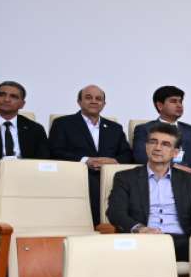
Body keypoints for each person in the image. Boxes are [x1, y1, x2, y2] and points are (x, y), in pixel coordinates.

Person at [106, 124, 191, 259]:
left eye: (165, 144)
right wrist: (140, 229)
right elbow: (115, 212)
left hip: (181, 242)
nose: (157, 148)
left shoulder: (187, 179)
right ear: (146, 146)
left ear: (175, 153)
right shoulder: (125, 177)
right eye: (153, 142)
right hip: (144, 240)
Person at [48, 84, 133, 221]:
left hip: (110, 177)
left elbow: (127, 154)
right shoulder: (63, 123)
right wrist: (85, 161)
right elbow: (55, 151)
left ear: (104, 104)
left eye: (98, 99)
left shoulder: (115, 128)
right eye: (88, 97)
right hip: (77, 177)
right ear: (79, 102)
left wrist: (114, 161)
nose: (94, 101)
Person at [0, 81, 49, 222]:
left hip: (25, 173)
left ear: (22, 104)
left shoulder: (35, 129)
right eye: (2, 95)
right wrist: (3, 169)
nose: (6, 99)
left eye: (13, 96)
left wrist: (21, 170)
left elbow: (43, 157)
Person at [131, 85, 191, 170]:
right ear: (160, 106)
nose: (179, 105)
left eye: (180, 101)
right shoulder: (144, 129)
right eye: (173, 101)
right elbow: (141, 157)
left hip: (190, 175)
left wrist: (190, 170)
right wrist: (173, 167)